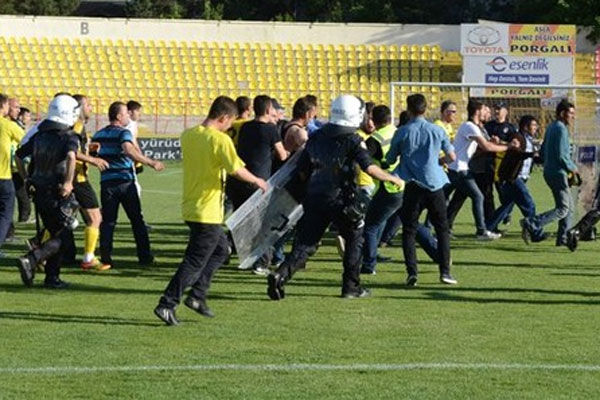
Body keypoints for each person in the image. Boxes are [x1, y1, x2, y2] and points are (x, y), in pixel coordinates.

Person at [267, 95, 405, 301]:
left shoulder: (316, 136)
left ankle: (281, 275)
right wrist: (392, 178)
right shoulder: (353, 139)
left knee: (306, 245)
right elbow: (369, 167)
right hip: (343, 199)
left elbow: (303, 170)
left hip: (315, 197)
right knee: (354, 240)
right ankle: (351, 286)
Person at [154, 96, 268, 326]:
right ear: (224, 117)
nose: (230, 126)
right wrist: (258, 181)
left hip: (192, 206)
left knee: (222, 250)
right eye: (230, 121)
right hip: (207, 210)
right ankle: (167, 303)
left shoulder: (189, 135)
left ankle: (197, 296)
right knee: (194, 261)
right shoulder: (220, 140)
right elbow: (236, 169)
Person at [386, 94, 457, 286]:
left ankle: (412, 273)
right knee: (442, 229)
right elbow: (451, 156)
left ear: (408, 109)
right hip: (435, 184)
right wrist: (437, 161)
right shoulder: (436, 130)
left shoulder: (402, 132)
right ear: (425, 109)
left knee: (409, 230)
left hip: (413, 185)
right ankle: (445, 271)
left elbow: (391, 159)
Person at [15, 95, 81, 289]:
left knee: (55, 232)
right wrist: (69, 182)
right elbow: (71, 157)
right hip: (58, 190)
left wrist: (26, 177)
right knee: (62, 236)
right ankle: (32, 258)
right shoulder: (69, 136)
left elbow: (19, 155)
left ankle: (52, 278)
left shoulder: (40, 135)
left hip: (38, 188)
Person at [92, 101, 165, 270]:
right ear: (118, 116)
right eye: (126, 113)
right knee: (137, 220)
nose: (128, 116)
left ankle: (106, 257)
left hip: (107, 183)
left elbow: (93, 155)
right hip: (125, 181)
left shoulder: (98, 134)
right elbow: (129, 150)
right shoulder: (123, 133)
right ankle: (144, 256)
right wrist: (151, 162)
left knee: (109, 221)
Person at [227, 95, 288, 275]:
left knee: (240, 221)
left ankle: (226, 250)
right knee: (263, 224)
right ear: (269, 110)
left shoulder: (245, 127)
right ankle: (261, 262)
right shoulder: (271, 129)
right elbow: (282, 155)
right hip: (259, 180)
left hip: (240, 178)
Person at [446, 100, 512, 240]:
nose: (487, 113)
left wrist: (494, 143)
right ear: (477, 111)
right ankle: (481, 231)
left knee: (452, 198)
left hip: (460, 168)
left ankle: (442, 228)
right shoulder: (470, 126)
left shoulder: (474, 127)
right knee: (478, 196)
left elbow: (486, 145)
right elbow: (487, 147)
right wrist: (508, 147)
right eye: (484, 110)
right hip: (459, 170)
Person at [521, 99, 577, 246]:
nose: (573, 117)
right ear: (562, 113)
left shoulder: (552, 127)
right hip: (558, 173)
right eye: (570, 113)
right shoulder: (561, 129)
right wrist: (573, 168)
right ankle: (532, 223)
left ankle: (563, 238)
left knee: (569, 207)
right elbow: (562, 155)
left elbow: (544, 150)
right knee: (563, 208)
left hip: (550, 171)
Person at [486, 115, 547, 242]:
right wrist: (531, 154)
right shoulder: (517, 137)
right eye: (533, 125)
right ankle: (535, 233)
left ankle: (487, 228)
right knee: (529, 205)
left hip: (518, 178)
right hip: (514, 178)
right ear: (525, 126)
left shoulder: (529, 140)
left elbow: (531, 157)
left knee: (507, 206)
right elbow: (516, 152)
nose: (536, 128)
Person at [71, 94, 109, 270]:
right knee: (95, 217)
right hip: (77, 178)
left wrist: (90, 150)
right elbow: (71, 151)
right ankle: (88, 258)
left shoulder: (79, 127)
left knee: (63, 220)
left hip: (73, 177)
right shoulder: (77, 126)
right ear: (78, 108)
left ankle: (40, 254)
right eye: (87, 105)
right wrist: (93, 160)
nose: (90, 108)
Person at [0, 94, 24, 252]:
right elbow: (27, 140)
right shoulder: (7, 125)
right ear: (2, 107)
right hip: (3, 176)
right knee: (4, 215)